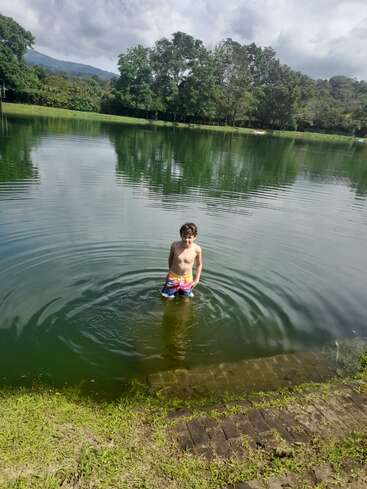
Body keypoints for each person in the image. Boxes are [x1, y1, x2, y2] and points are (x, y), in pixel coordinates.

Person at [161, 222, 202, 299]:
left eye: (189, 237)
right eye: (184, 236)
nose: (186, 240)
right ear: (181, 235)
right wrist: (170, 271)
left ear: (195, 237)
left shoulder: (197, 249)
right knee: (167, 298)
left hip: (187, 279)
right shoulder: (174, 245)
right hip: (173, 276)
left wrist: (197, 279)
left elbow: (199, 265)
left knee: (185, 299)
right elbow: (170, 258)